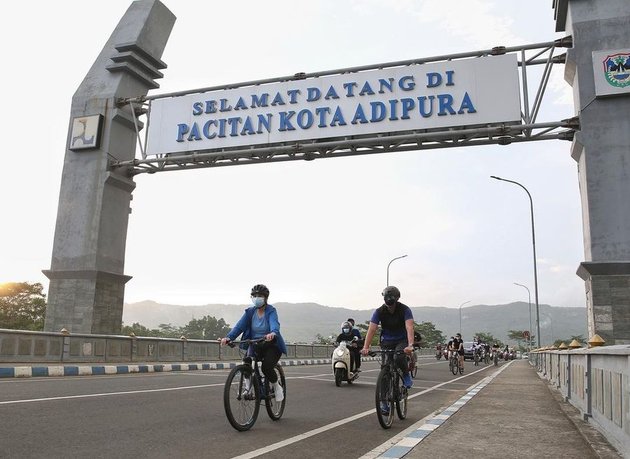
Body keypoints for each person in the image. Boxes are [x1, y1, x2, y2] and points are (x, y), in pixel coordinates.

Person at [220, 284, 287, 401]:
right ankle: (248, 388)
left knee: (266, 368)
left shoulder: (271, 310)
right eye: (254, 296)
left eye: (260, 296)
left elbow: (274, 323)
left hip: (271, 344)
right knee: (246, 362)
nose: (257, 298)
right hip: (255, 344)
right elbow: (239, 327)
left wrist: (273, 333)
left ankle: (277, 386)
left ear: (265, 298)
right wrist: (228, 338)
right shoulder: (250, 312)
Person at [361, 286, 415, 390]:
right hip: (386, 341)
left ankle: (405, 374)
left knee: (399, 358)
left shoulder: (405, 310)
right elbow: (372, 329)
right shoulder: (379, 311)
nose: (389, 300)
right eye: (387, 297)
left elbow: (409, 327)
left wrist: (410, 345)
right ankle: (383, 400)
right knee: (385, 367)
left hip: (401, 340)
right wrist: (366, 347)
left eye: (391, 297)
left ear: (397, 298)